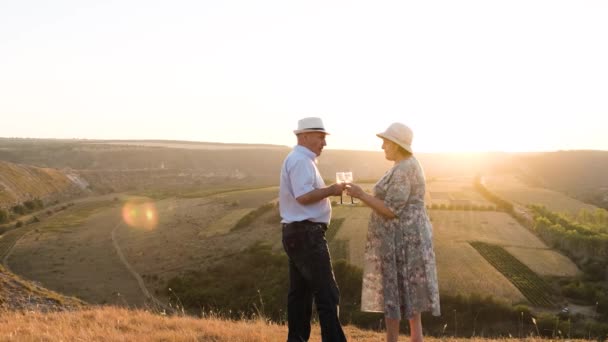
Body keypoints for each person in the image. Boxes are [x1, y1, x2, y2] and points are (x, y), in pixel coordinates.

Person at [346, 122, 440, 342]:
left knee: (394, 291)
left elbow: (391, 210)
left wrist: (361, 195)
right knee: (409, 293)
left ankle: (393, 340)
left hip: (402, 242)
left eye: (386, 142)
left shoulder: (404, 169)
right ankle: (414, 339)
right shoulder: (406, 165)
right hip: (407, 239)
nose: (382, 146)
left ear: (397, 145)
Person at [279, 117, 348, 342]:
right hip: (307, 234)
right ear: (304, 136)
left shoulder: (299, 159)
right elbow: (303, 197)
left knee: (300, 296)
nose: (324, 143)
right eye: (320, 137)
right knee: (327, 294)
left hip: (296, 233)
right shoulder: (301, 161)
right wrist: (331, 190)